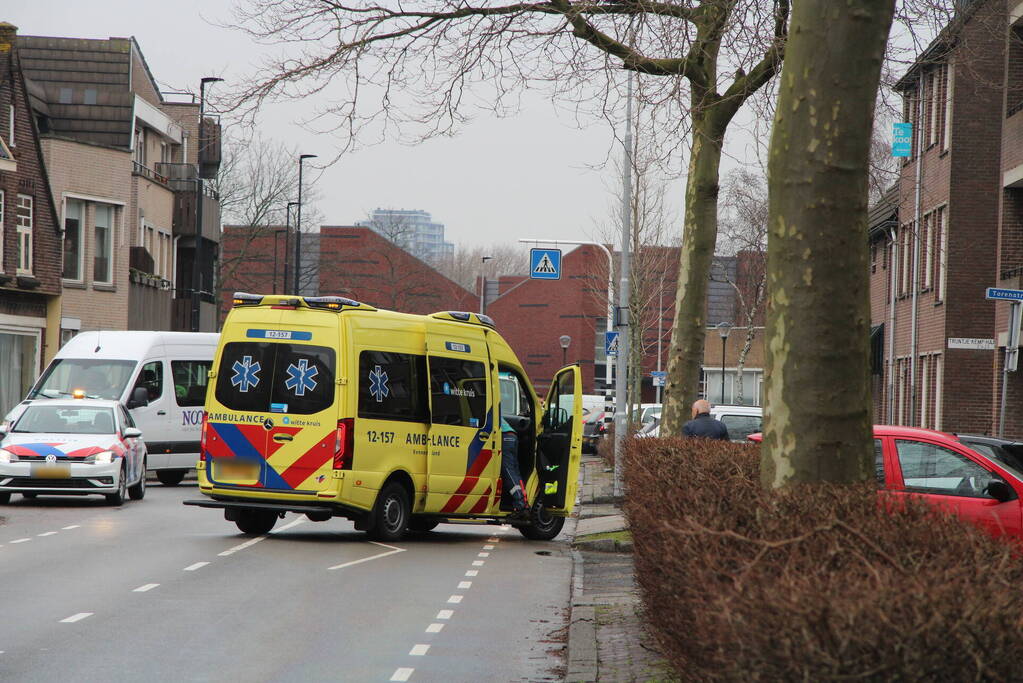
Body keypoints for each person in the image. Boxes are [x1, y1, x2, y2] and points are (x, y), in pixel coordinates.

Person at [500, 417, 528, 514]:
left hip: (504, 436)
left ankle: (520, 502)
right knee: (515, 471)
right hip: (512, 435)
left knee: (508, 470)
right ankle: (524, 500)